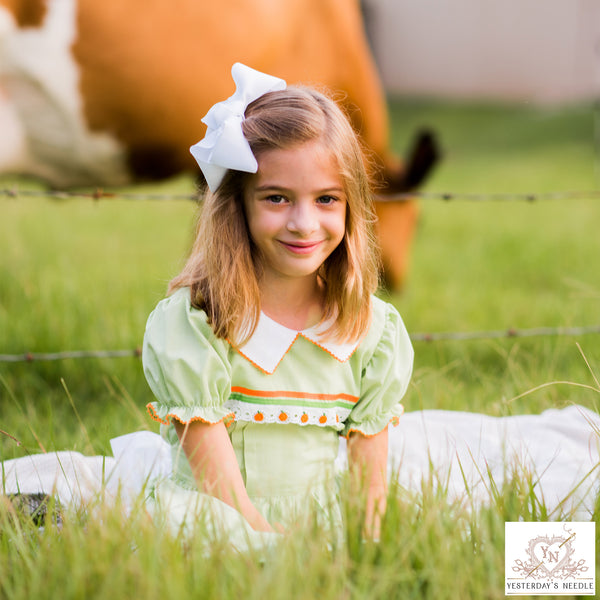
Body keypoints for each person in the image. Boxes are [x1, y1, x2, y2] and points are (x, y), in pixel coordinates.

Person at [141, 63, 414, 546]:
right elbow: (221, 492)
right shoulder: (200, 322)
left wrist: (362, 551)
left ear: (352, 204)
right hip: (219, 521)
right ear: (237, 203)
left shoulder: (370, 330)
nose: (304, 224)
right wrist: (273, 548)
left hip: (315, 523)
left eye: (327, 198)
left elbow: (368, 492)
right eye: (276, 198)